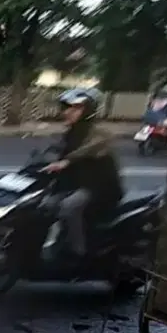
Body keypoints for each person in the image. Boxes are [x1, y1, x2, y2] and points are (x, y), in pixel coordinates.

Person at [42, 88, 124, 263]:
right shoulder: (71, 132)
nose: (68, 112)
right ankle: (59, 240)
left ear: (88, 110)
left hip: (98, 186)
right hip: (76, 183)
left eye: (76, 108)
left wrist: (67, 161)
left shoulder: (98, 132)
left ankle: (78, 252)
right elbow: (57, 149)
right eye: (67, 108)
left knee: (69, 207)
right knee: (46, 203)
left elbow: (89, 149)